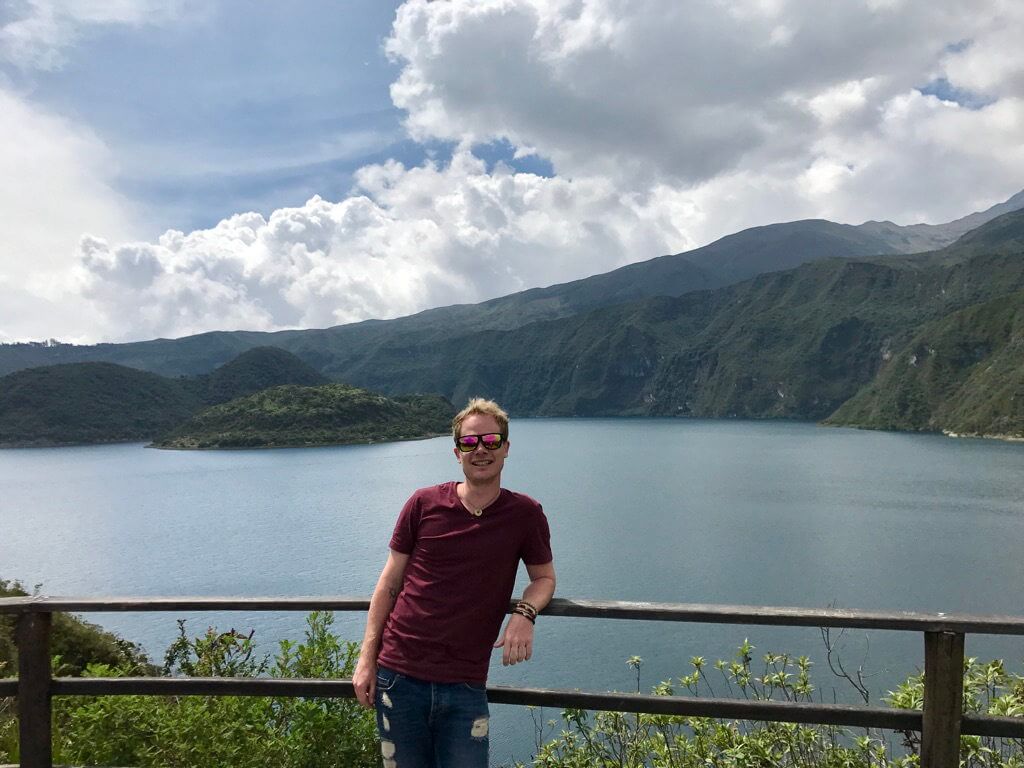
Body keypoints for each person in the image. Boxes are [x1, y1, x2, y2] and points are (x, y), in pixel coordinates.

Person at [353, 397, 556, 768]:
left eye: (491, 441)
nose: (481, 450)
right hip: (398, 677)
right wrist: (366, 660)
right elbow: (388, 585)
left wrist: (524, 614)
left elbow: (543, 578)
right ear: (457, 451)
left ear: (506, 448)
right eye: (470, 442)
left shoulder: (525, 514)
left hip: (464, 685)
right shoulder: (423, 504)